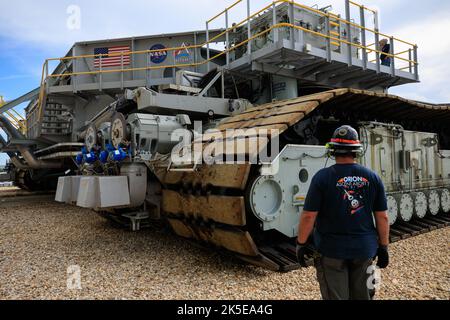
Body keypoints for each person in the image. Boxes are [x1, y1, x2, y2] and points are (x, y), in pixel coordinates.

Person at [296, 125, 390, 300]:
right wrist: (383, 247)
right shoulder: (373, 177)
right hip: (365, 250)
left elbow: (309, 216)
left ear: (332, 150)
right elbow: (382, 217)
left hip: (331, 251)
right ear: (356, 151)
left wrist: (301, 244)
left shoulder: (321, 177)